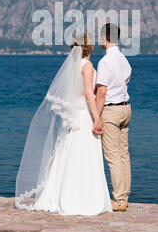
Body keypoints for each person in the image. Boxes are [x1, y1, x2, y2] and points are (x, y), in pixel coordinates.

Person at [15, 33, 112, 216]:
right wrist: (96, 117)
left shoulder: (73, 67)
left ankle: (61, 192)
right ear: (89, 48)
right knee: (84, 151)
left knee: (69, 150)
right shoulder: (88, 66)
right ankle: (82, 197)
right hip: (83, 114)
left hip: (74, 113)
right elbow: (88, 94)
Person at [95, 23, 132, 212]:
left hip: (110, 110)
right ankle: (124, 196)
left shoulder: (105, 62)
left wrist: (96, 117)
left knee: (113, 157)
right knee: (124, 154)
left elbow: (101, 91)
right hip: (126, 109)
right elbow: (125, 81)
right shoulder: (124, 59)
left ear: (104, 38)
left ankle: (118, 200)